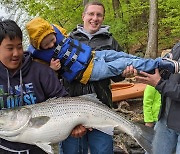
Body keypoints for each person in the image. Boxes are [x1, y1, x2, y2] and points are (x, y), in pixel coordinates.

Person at [25, 16, 179, 85]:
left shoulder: (56, 30)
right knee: (123, 62)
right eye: (47, 46)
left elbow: (63, 36)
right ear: (39, 46)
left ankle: (155, 64)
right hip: (88, 72)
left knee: (122, 55)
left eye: (52, 40)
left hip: (93, 55)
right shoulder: (38, 57)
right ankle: (161, 64)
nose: (52, 45)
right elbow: (44, 75)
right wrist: (53, 69)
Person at [60, 1, 125, 154]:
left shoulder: (111, 42)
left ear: (103, 18)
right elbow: (56, 73)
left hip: (102, 109)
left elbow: (117, 78)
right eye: (91, 14)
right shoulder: (68, 40)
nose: (94, 18)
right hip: (70, 111)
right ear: (83, 16)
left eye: (99, 15)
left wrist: (124, 73)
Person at [0, 19, 69, 153]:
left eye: (19, 47)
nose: (16, 53)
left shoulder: (41, 71)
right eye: (10, 48)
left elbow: (63, 100)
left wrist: (75, 125)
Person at [135, 42, 180, 154]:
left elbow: (161, 82)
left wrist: (159, 83)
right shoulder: (178, 47)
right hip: (165, 119)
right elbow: (164, 69)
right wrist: (141, 70)